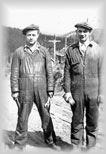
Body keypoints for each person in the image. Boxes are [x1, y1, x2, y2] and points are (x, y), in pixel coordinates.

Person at [10, 24, 60, 150]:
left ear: (38, 35)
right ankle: (19, 144)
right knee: (22, 117)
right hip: (24, 89)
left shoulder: (44, 51)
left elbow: (49, 72)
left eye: (33, 35)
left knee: (46, 115)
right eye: (29, 35)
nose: (31, 37)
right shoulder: (19, 52)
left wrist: (50, 90)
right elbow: (14, 72)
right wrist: (15, 90)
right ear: (25, 36)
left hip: (42, 89)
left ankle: (50, 141)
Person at [63, 22, 104, 150]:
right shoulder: (71, 50)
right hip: (76, 93)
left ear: (89, 33)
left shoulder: (98, 50)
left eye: (85, 31)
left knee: (92, 122)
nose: (82, 34)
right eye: (79, 31)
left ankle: (90, 149)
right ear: (76, 33)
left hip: (94, 93)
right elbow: (67, 73)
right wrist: (68, 92)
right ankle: (76, 148)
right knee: (77, 122)